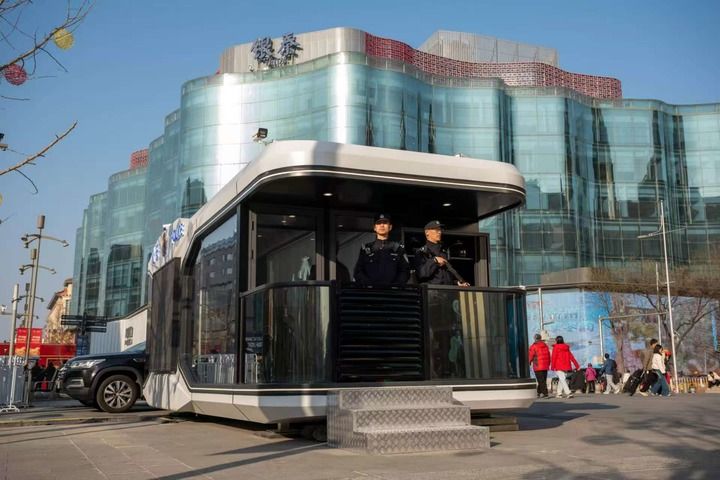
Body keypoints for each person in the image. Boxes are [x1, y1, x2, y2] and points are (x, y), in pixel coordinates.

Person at [353, 213, 410, 286]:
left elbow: (405, 271)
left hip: (392, 291)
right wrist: (368, 285)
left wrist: (395, 286)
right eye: (379, 223)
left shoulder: (398, 248)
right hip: (371, 291)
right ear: (374, 228)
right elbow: (358, 271)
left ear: (390, 227)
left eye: (385, 223)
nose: (382, 225)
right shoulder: (367, 249)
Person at [413, 220, 469, 286]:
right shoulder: (422, 252)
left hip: (447, 290)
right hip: (432, 290)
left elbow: (446, 274)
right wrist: (434, 261)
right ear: (427, 232)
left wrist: (457, 283)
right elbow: (421, 274)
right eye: (436, 230)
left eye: (440, 230)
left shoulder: (444, 251)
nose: (439, 232)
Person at [528, 334, 550, 398]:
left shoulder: (533, 346)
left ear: (535, 338)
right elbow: (548, 355)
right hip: (545, 365)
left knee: (541, 380)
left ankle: (545, 393)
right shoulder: (545, 345)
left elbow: (531, 355)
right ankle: (538, 392)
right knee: (543, 380)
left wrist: (529, 362)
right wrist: (548, 363)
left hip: (538, 365)